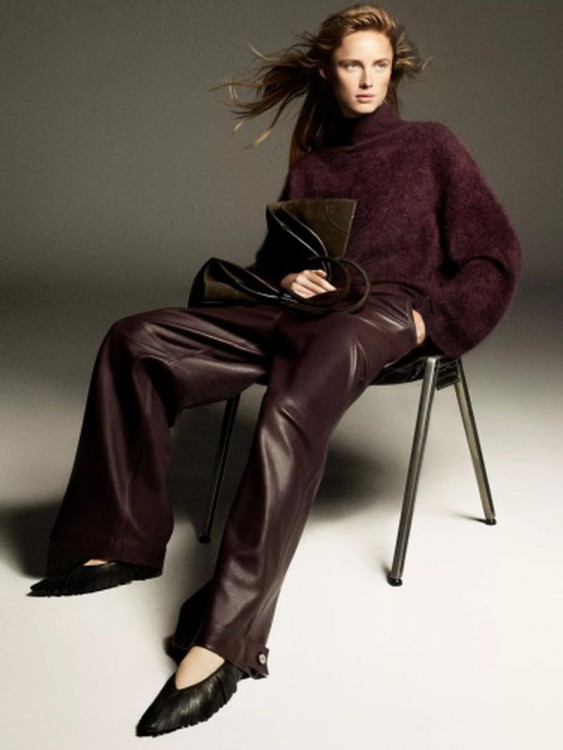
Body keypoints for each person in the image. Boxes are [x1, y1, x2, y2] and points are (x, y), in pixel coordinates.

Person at [29, 3, 522, 738]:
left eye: (379, 65)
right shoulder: (314, 163)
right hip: (301, 313)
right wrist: (287, 279)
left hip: (386, 312)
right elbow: (277, 263)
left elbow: (495, 254)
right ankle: (122, 542)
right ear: (329, 71)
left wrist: (435, 321)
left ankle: (226, 640)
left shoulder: (432, 145)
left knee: (291, 398)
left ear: (394, 71)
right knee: (137, 340)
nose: (367, 79)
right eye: (352, 64)